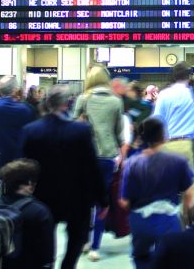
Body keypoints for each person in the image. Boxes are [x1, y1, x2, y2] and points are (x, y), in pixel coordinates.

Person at [21, 85, 108, 269]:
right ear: (67, 104)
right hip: (76, 197)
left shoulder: (31, 130)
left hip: (42, 196)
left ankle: (48, 263)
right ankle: (68, 265)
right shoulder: (81, 131)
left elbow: (23, 166)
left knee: (43, 236)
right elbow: (92, 167)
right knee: (76, 237)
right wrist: (103, 199)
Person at [120, 117, 194, 269]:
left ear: (142, 137)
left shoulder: (132, 163)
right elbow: (189, 194)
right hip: (169, 221)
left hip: (141, 222)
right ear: (164, 137)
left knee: (141, 258)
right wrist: (187, 219)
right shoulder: (178, 161)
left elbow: (124, 202)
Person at [73, 64, 129, 262]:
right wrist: (122, 158)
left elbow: (72, 126)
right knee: (101, 203)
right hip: (107, 156)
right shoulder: (116, 101)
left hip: (84, 157)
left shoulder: (83, 99)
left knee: (83, 202)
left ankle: (83, 241)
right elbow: (118, 133)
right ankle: (95, 247)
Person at [152, 62, 194, 173]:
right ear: (189, 76)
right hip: (190, 146)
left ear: (174, 76)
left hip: (168, 146)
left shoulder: (164, 95)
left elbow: (156, 122)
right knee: (188, 186)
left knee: (169, 185)